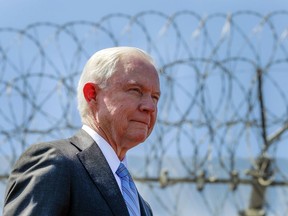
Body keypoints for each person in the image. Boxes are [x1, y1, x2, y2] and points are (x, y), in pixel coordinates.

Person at [3, 46, 161, 216]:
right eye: (135, 91)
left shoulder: (142, 206)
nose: (150, 107)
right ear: (92, 94)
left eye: (155, 97)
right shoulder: (56, 163)